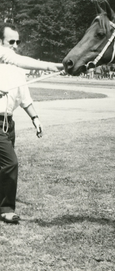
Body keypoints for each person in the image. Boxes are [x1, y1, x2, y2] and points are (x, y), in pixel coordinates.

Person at [0, 23, 61, 224]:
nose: (15, 45)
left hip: (8, 123)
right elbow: (21, 59)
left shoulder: (17, 69)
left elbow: (25, 98)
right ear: (1, 42)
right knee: (10, 163)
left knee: (3, 166)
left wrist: (35, 118)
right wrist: (50, 65)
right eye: (11, 41)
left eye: (18, 41)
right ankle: (6, 209)